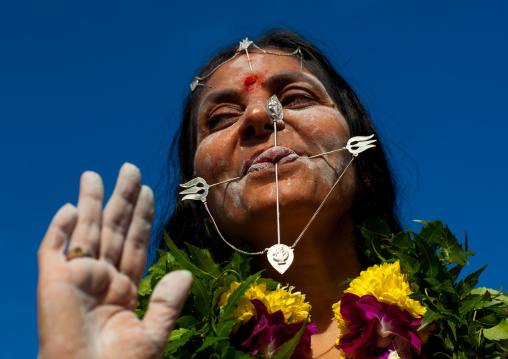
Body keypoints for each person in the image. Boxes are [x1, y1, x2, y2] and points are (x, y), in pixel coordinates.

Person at [37, 29, 400, 358]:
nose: (258, 115)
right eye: (223, 117)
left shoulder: (448, 330)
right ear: (198, 199)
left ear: (362, 163)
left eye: (296, 97)